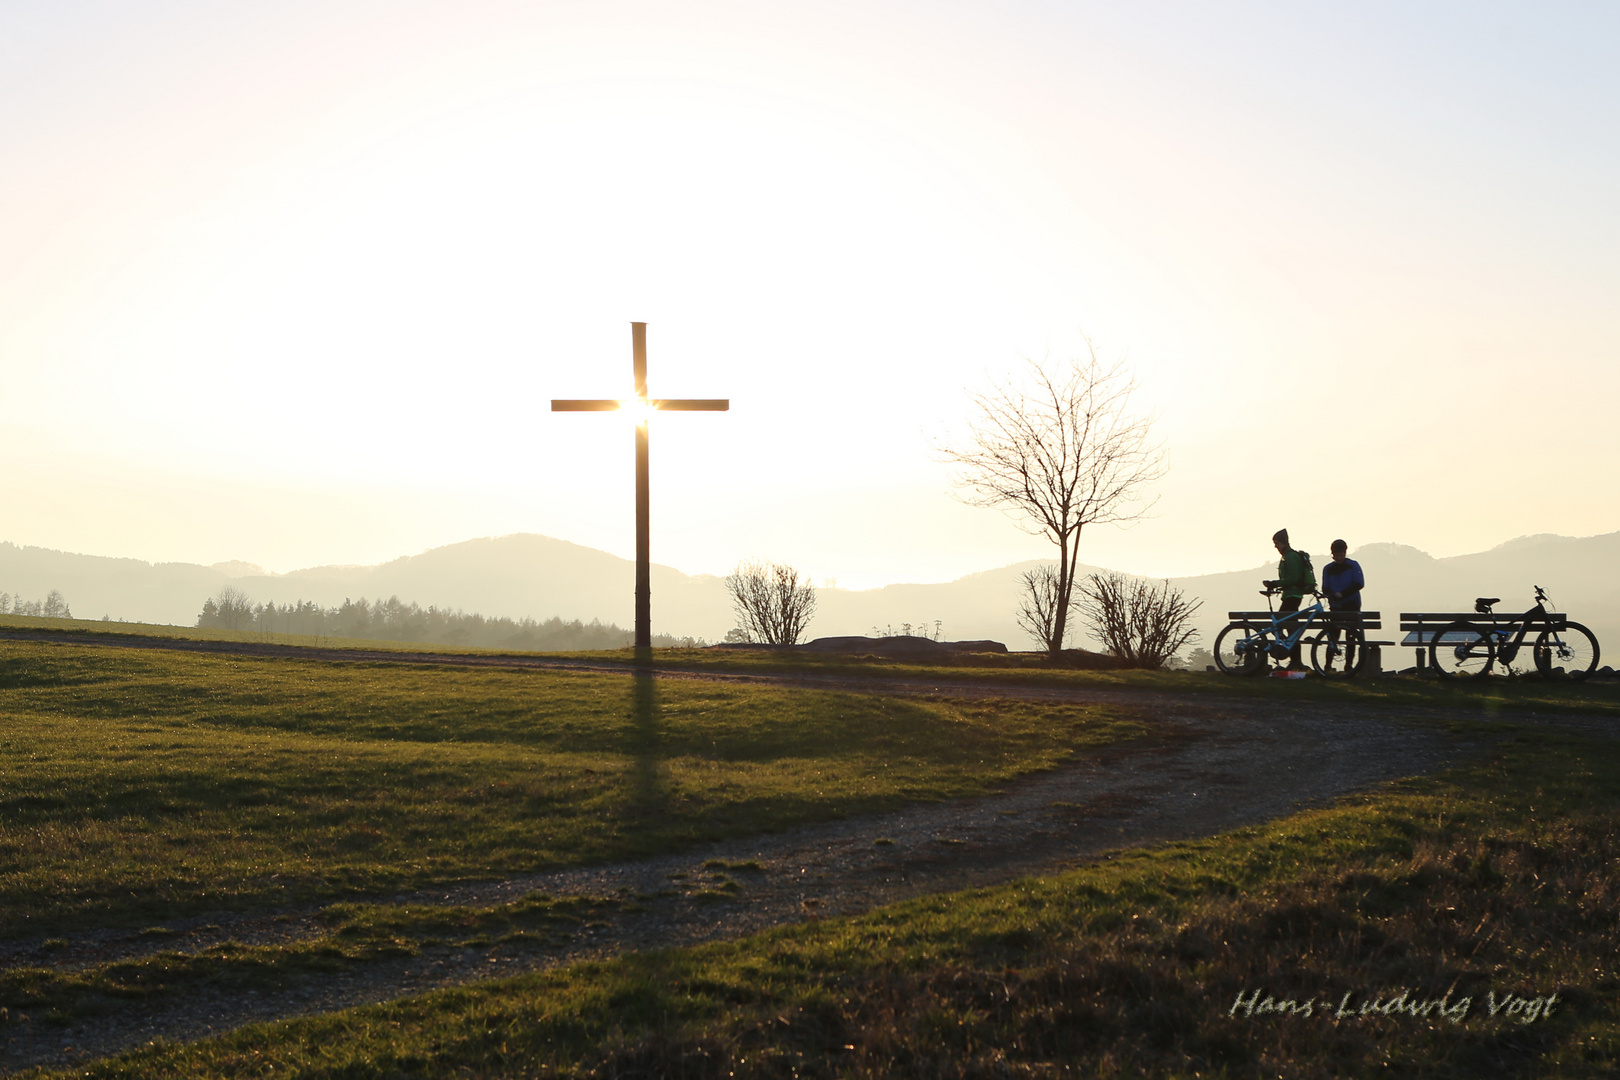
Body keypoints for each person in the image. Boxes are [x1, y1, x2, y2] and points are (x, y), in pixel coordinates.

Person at [1266, 528, 1315, 669]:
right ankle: (1295, 660)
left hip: (1292, 596)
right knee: (1291, 629)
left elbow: (1293, 578)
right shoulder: (1287, 556)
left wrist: (1276, 583)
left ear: (1283, 542)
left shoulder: (1291, 557)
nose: (1276, 546)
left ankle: (1294, 660)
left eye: (1277, 543)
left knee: (1287, 626)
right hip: (1290, 595)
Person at [1320, 539, 1365, 674]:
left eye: (1341, 555)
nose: (1339, 557)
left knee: (1349, 637)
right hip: (1337, 605)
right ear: (1332, 555)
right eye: (1336, 555)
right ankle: (1329, 665)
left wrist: (1341, 595)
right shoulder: (1329, 568)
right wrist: (1333, 596)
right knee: (1334, 636)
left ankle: (1348, 665)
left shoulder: (1351, 566)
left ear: (1345, 553)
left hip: (1350, 605)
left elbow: (1359, 584)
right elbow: (1325, 588)